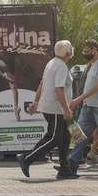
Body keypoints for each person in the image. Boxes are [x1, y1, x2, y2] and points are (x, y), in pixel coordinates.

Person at [18, 40, 76, 179]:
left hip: (53, 107)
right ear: (68, 53)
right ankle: (27, 158)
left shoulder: (52, 63)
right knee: (55, 138)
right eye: (71, 49)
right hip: (55, 108)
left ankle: (65, 169)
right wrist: (66, 109)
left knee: (65, 138)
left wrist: (35, 101)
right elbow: (59, 89)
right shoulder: (60, 66)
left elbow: (42, 83)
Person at [64, 40, 98, 174]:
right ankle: (72, 163)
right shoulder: (92, 64)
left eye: (87, 52)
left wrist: (79, 98)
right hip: (88, 107)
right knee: (78, 134)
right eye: (84, 52)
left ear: (95, 49)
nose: (85, 54)